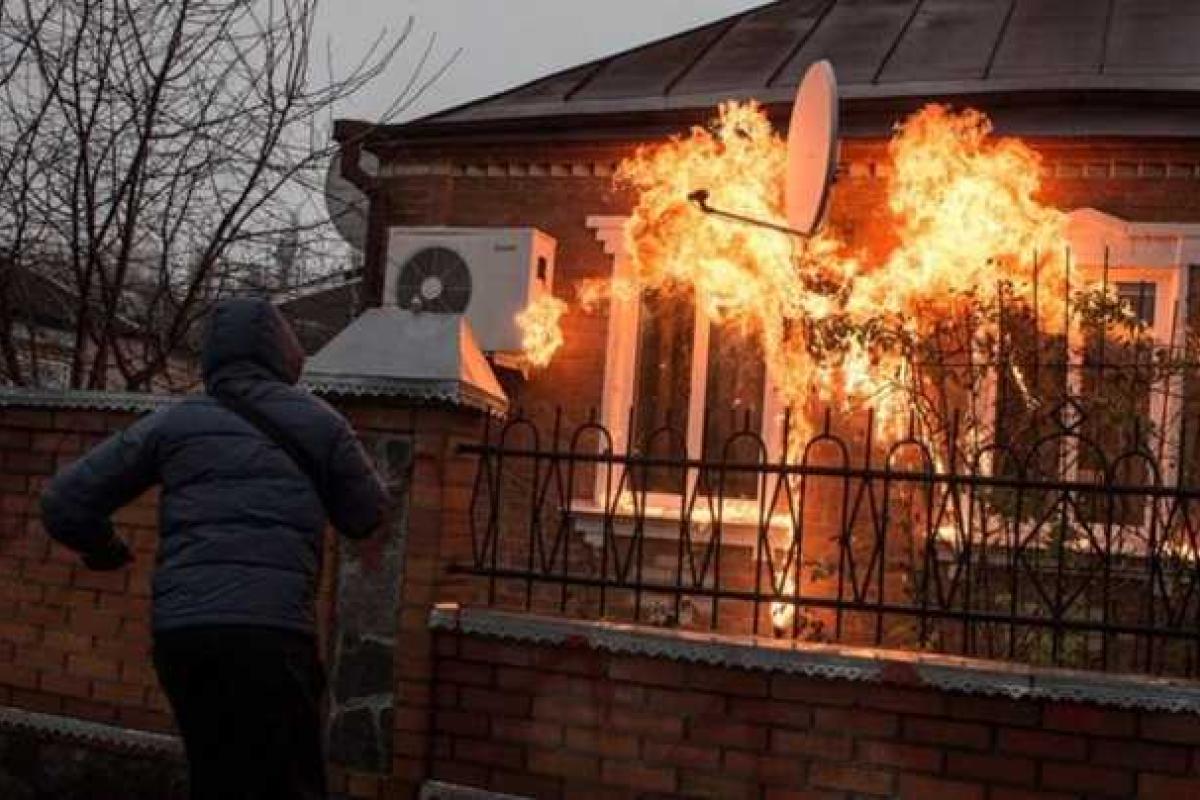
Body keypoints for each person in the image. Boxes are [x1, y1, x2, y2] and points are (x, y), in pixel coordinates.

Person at [40, 297, 390, 799]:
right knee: (289, 783)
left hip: (186, 638)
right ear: (285, 353)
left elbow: (63, 502)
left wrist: (108, 550)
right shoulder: (322, 423)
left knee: (217, 776)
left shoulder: (176, 423)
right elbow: (367, 515)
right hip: (273, 639)